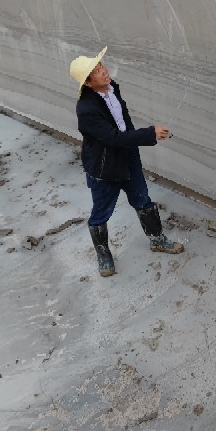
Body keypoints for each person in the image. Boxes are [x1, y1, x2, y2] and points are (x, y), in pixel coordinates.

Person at [69, 45, 183, 277]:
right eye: (96, 71)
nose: (103, 70)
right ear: (88, 84)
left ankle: (157, 239)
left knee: (142, 199)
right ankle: (103, 254)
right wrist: (150, 134)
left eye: (101, 65)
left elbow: (124, 124)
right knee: (101, 212)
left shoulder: (112, 88)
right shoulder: (86, 109)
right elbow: (112, 138)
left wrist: (137, 141)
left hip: (128, 156)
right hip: (104, 167)